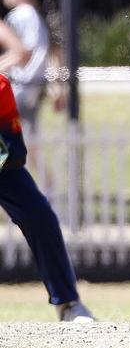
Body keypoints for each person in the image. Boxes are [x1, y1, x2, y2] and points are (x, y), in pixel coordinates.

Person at [0, 73, 94, 322]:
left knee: (39, 214)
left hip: (2, 169)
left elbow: (15, 153)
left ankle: (68, 304)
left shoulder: (0, 86)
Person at [0, 0, 64, 190]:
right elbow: (53, 53)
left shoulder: (21, 15)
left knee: (13, 145)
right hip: (33, 91)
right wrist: (57, 88)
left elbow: (22, 54)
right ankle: (49, 189)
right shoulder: (38, 16)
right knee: (29, 146)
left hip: (19, 90)